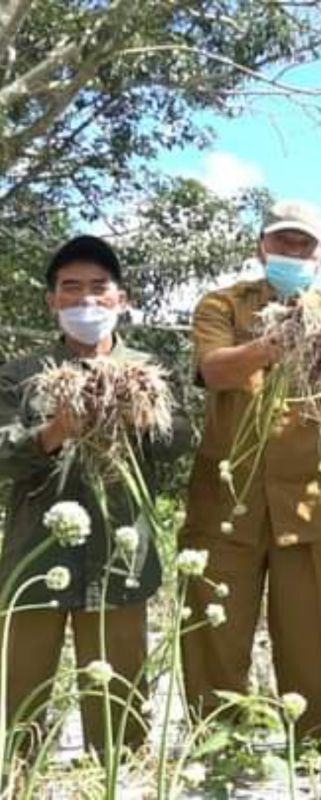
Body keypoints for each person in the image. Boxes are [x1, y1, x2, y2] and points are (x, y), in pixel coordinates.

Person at [181, 200, 321, 746]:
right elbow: (214, 370)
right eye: (283, 241)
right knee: (215, 631)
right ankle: (214, 748)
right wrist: (271, 344)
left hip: (309, 503)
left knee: (315, 631)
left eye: (304, 245)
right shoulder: (221, 304)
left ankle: (319, 748)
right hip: (227, 499)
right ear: (260, 246)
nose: (293, 252)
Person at [0, 235, 189, 752]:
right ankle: (20, 779)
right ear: (52, 301)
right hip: (36, 559)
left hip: (120, 558)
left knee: (122, 709)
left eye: (99, 288)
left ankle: (116, 776)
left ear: (121, 299)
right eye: (71, 288)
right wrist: (53, 431)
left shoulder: (150, 371)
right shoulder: (21, 375)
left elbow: (179, 445)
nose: (86, 300)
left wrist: (140, 410)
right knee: (23, 701)